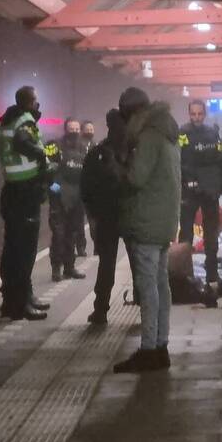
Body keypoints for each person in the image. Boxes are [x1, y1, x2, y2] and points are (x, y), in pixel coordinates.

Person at [113, 87, 181, 373]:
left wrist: (118, 164)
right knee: (161, 286)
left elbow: (136, 178)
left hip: (147, 222)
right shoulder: (167, 133)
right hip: (165, 221)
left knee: (148, 288)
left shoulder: (149, 137)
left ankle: (148, 349)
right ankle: (161, 346)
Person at [0, 86, 55, 321]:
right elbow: (24, 143)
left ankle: (13, 300)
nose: (38, 105)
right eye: (36, 101)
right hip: (26, 193)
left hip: (11, 191)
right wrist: (43, 154)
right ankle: (20, 304)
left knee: (13, 249)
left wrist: (7, 154)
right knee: (25, 251)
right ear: (30, 102)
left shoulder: (6, 121)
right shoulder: (24, 122)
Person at [81, 109, 129, 325]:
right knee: (138, 263)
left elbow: (87, 188)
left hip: (107, 216)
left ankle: (100, 309)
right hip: (129, 214)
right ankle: (143, 305)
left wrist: (92, 217)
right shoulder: (133, 151)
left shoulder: (98, 153)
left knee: (106, 264)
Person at [178, 100, 222, 301]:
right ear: (189, 114)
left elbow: (219, 157)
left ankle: (212, 272)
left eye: (199, 113)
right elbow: (180, 158)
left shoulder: (213, 133)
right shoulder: (182, 133)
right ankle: (184, 273)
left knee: (211, 231)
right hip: (189, 189)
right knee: (186, 232)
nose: (196, 117)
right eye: (193, 113)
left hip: (208, 189)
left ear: (204, 114)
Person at [47, 118, 88, 281]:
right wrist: (53, 186)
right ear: (65, 129)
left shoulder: (84, 148)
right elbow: (46, 166)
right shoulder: (54, 145)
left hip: (77, 197)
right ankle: (56, 268)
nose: (75, 131)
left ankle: (70, 267)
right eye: (71, 128)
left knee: (72, 233)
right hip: (59, 197)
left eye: (77, 128)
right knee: (58, 234)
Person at [77, 120, 97, 256]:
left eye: (91, 129)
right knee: (78, 219)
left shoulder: (95, 145)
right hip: (78, 185)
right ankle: (80, 246)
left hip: (92, 187)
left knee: (93, 219)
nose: (90, 131)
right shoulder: (78, 145)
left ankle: (97, 245)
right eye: (87, 129)